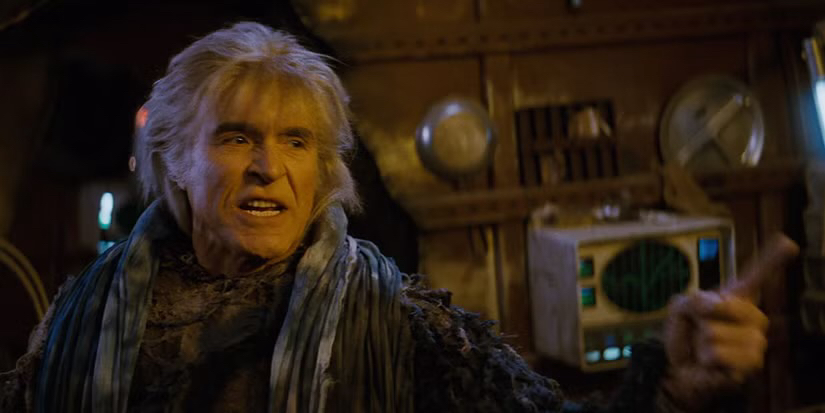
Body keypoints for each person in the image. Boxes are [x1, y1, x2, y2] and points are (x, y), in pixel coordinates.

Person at [0, 22, 799, 413]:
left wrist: (671, 385)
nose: (268, 166)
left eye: (297, 141)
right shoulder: (84, 313)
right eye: (236, 136)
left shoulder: (393, 314)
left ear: (323, 171)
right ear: (174, 157)